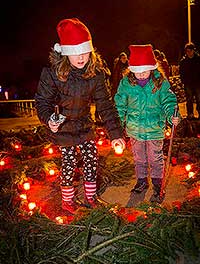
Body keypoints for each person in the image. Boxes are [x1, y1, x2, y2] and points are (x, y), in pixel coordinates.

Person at [35, 18, 125, 214]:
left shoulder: (96, 73)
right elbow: (42, 101)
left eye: (85, 51)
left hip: (84, 126)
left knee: (91, 159)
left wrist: (116, 134)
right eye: (75, 53)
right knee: (68, 162)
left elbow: (105, 105)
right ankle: (67, 200)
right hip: (64, 128)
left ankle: (91, 197)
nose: (81, 57)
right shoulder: (52, 74)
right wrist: (49, 118)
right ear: (66, 52)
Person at [114, 44, 180, 203]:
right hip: (134, 129)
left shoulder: (160, 83)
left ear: (152, 67)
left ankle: (158, 183)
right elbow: (120, 104)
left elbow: (169, 101)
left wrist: (172, 115)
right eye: (137, 71)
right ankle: (142, 181)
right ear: (131, 69)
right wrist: (117, 123)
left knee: (155, 157)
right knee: (139, 158)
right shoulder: (126, 84)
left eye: (144, 70)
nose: (141, 74)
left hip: (154, 128)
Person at [179, 42, 200, 120]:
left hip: (198, 83)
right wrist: (184, 81)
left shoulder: (198, 59)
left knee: (199, 99)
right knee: (189, 99)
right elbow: (181, 72)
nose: (189, 53)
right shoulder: (183, 61)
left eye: (190, 51)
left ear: (193, 50)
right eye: (187, 51)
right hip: (188, 83)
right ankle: (190, 114)